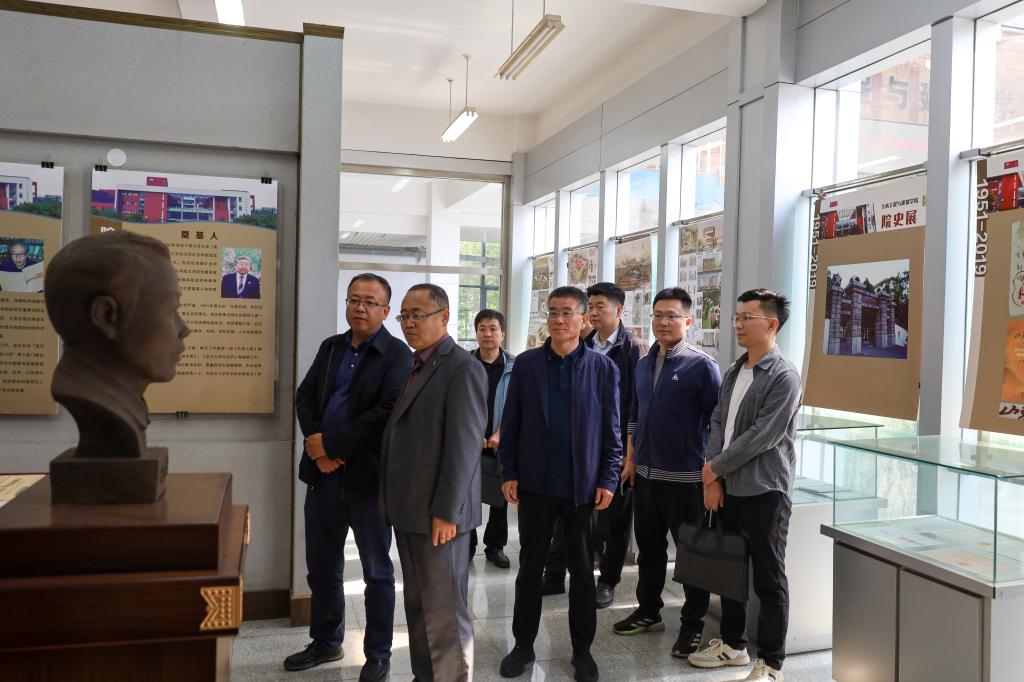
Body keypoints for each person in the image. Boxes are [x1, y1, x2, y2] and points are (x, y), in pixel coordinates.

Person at [286, 274, 412, 681]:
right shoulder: (332, 347)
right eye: (354, 299)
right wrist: (317, 447)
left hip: (368, 480)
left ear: (386, 311)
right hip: (323, 476)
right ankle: (326, 641)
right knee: (322, 567)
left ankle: (378, 652)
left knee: (377, 571)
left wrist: (332, 446)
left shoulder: (397, 355)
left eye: (370, 302)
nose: (360, 307)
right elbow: (305, 397)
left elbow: (387, 413)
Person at [498, 286, 622, 682]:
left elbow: (612, 431)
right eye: (552, 312)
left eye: (567, 312)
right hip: (535, 485)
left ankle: (582, 650)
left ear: (584, 319)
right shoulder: (528, 364)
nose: (558, 319)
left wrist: (608, 478)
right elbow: (511, 422)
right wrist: (508, 471)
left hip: (582, 488)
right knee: (530, 569)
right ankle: (523, 645)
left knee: (583, 573)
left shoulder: (603, 369)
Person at [688, 289, 802, 682]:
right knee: (731, 570)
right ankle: (733, 645)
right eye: (737, 317)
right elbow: (718, 421)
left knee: (769, 578)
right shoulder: (735, 370)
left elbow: (762, 436)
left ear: (771, 324)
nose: (738, 324)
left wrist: (713, 468)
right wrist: (714, 474)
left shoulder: (784, 376)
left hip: (766, 490)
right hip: (728, 485)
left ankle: (771, 662)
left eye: (746, 317)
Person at [380, 283, 487, 682]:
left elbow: (464, 447)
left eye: (417, 315)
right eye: (403, 316)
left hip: (439, 515)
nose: (408, 323)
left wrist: (447, 511)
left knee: (444, 612)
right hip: (412, 509)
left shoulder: (462, 368)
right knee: (420, 605)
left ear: (444, 317)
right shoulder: (419, 364)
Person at [612, 288, 721, 660]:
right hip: (645, 475)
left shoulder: (702, 365)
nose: (663, 322)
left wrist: (711, 472)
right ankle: (649, 611)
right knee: (650, 550)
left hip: (686, 480)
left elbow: (716, 423)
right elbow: (634, 413)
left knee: (691, 555)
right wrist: (631, 459)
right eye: (658, 315)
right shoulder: (644, 363)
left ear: (688, 320)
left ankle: (692, 623)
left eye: (672, 316)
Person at [542, 283, 647, 604]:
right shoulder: (583, 344)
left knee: (615, 519)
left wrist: (629, 454)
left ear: (619, 310)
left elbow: (637, 405)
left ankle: (608, 580)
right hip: (578, 449)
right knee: (566, 514)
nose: (594, 312)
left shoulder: (633, 349)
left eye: (601, 306)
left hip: (617, 449)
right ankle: (555, 574)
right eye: (591, 306)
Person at [469, 308, 515, 569]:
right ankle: (467, 544)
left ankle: (495, 546)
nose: (488, 334)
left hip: (502, 441)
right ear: (476, 333)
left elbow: (519, 406)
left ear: (502, 333)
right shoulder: (464, 364)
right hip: (468, 440)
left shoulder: (515, 366)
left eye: (493, 329)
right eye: (482, 329)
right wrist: (473, 435)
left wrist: (500, 433)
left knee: (501, 496)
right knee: (467, 494)